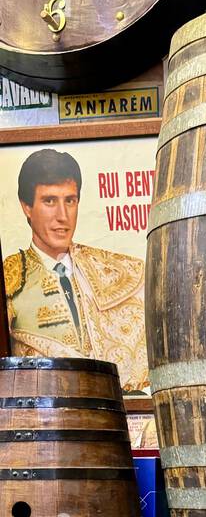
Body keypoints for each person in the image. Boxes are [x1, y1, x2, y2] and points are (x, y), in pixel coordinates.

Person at [3, 148, 147, 391]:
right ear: (26, 207)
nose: (63, 216)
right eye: (49, 201)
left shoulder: (119, 269)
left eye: (70, 200)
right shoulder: (9, 280)